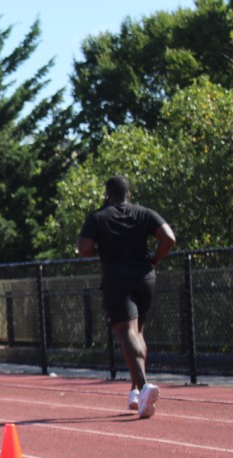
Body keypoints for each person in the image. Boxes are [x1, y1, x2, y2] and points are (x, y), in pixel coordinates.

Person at [78, 175, 176, 418]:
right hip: (145, 277)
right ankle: (135, 391)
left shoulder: (98, 216)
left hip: (117, 278)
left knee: (126, 333)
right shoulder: (144, 213)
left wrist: (103, 248)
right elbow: (169, 238)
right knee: (138, 332)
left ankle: (143, 387)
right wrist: (154, 260)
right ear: (128, 194)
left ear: (107, 194)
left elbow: (84, 249)